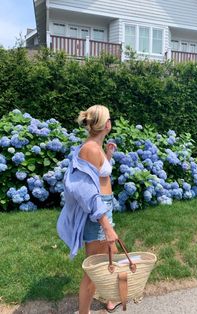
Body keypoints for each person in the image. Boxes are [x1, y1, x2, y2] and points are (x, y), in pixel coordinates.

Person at [57, 105, 120, 314]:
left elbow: (99, 176)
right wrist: (107, 226)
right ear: (106, 124)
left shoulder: (96, 147)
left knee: (111, 255)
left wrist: (108, 156)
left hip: (104, 207)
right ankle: (84, 312)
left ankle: (110, 299)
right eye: (110, 118)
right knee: (94, 269)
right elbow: (87, 193)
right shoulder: (90, 149)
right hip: (98, 213)